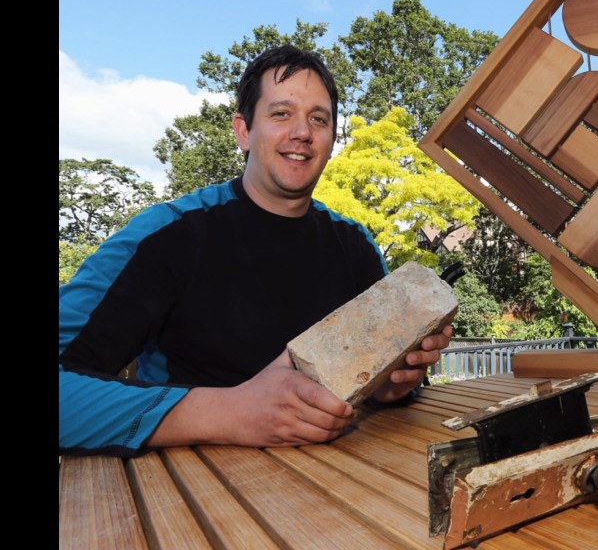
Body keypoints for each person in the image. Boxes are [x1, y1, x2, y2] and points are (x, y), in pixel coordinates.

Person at [59, 45, 452, 457]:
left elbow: (377, 391)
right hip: (186, 493)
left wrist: (390, 387)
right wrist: (227, 412)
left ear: (331, 140)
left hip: (338, 484)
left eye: (318, 119)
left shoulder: (356, 245)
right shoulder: (168, 234)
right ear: (243, 130)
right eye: (281, 114)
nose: (302, 132)